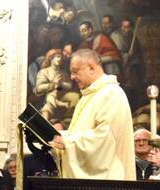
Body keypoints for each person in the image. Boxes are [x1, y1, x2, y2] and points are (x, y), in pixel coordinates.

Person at [50, 49, 136, 180]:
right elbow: (80, 133)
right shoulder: (88, 97)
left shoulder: (111, 93)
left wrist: (67, 142)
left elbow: (104, 139)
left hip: (107, 185)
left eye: (75, 71)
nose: (72, 77)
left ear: (91, 67)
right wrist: (60, 137)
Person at [33, 49, 75, 120]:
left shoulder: (63, 73)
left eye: (61, 57)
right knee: (48, 105)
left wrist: (61, 83)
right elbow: (38, 88)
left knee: (74, 97)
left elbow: (69, 85)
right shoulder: (44, 72)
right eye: (58, 57)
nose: (60, 59)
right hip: (47, 98)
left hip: (62, 96)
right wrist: (53, 84)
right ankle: (44, 122)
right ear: (51, 58)